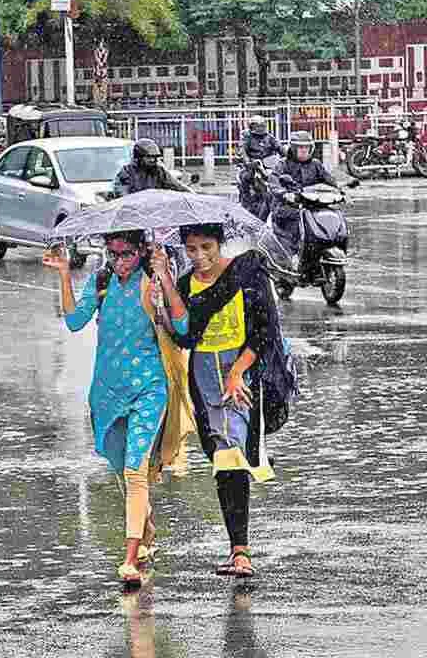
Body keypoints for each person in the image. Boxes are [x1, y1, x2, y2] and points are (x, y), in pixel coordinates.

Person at [43, 230, 194, 586]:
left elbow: (184, 326)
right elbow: (74, 320)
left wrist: (166, 281)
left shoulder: (154, 281)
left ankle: (130, 558)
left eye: (126, 253)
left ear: (142, 251)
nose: (120, 260)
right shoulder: (102, 280)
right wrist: (65, 273)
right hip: (108, 392)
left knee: (134, 470)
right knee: (120, 465)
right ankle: (145, 527)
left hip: (149, 389)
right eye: (113, 253)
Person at [167, 223, 295, 579]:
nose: (200, 257)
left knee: (231, 452)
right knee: (220, 456)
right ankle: (237, 549)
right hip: (203, 379)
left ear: (219, 243)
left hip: (241, 374)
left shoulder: (247, 272)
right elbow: (183, 335)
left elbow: (263, 331)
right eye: (191, 249)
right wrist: (162, 278)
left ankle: (240, 551)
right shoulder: (184, 284)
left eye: (206, 247)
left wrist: (238, 372)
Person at [268, 130, 338, 266]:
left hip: (311, 204)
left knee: (329, 216)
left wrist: (342, 190)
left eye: (306, 147)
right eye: (300, 147)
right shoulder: (283, 164)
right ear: (293, 148)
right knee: (295, 222)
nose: (304, 151)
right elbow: (273, 181)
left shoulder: (316, 164)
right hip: (288, 206)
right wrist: (284, 194)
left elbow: (329, 179)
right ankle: (292, 254)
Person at [109, 139, 188, 198]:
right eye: (149, 157)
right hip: (134, 212)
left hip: (156, 210)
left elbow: (176, 185)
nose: (153, 160)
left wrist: (193, 195)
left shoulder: (159, 171)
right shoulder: (127, 172)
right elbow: (121, 192)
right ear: (139, 157)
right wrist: (133, 202)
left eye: (155, 157)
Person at [237, 116, 281, 221]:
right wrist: (247, 161)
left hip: (267, 165)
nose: (260, 128)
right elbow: (242, 150)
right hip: (253, 165)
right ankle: (246, 200)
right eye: (257, 126)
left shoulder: (269, 137)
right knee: (246, 177)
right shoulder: (247, 137)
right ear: (252, 126)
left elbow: (279, 147)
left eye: (262, 125)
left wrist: (289, 155)